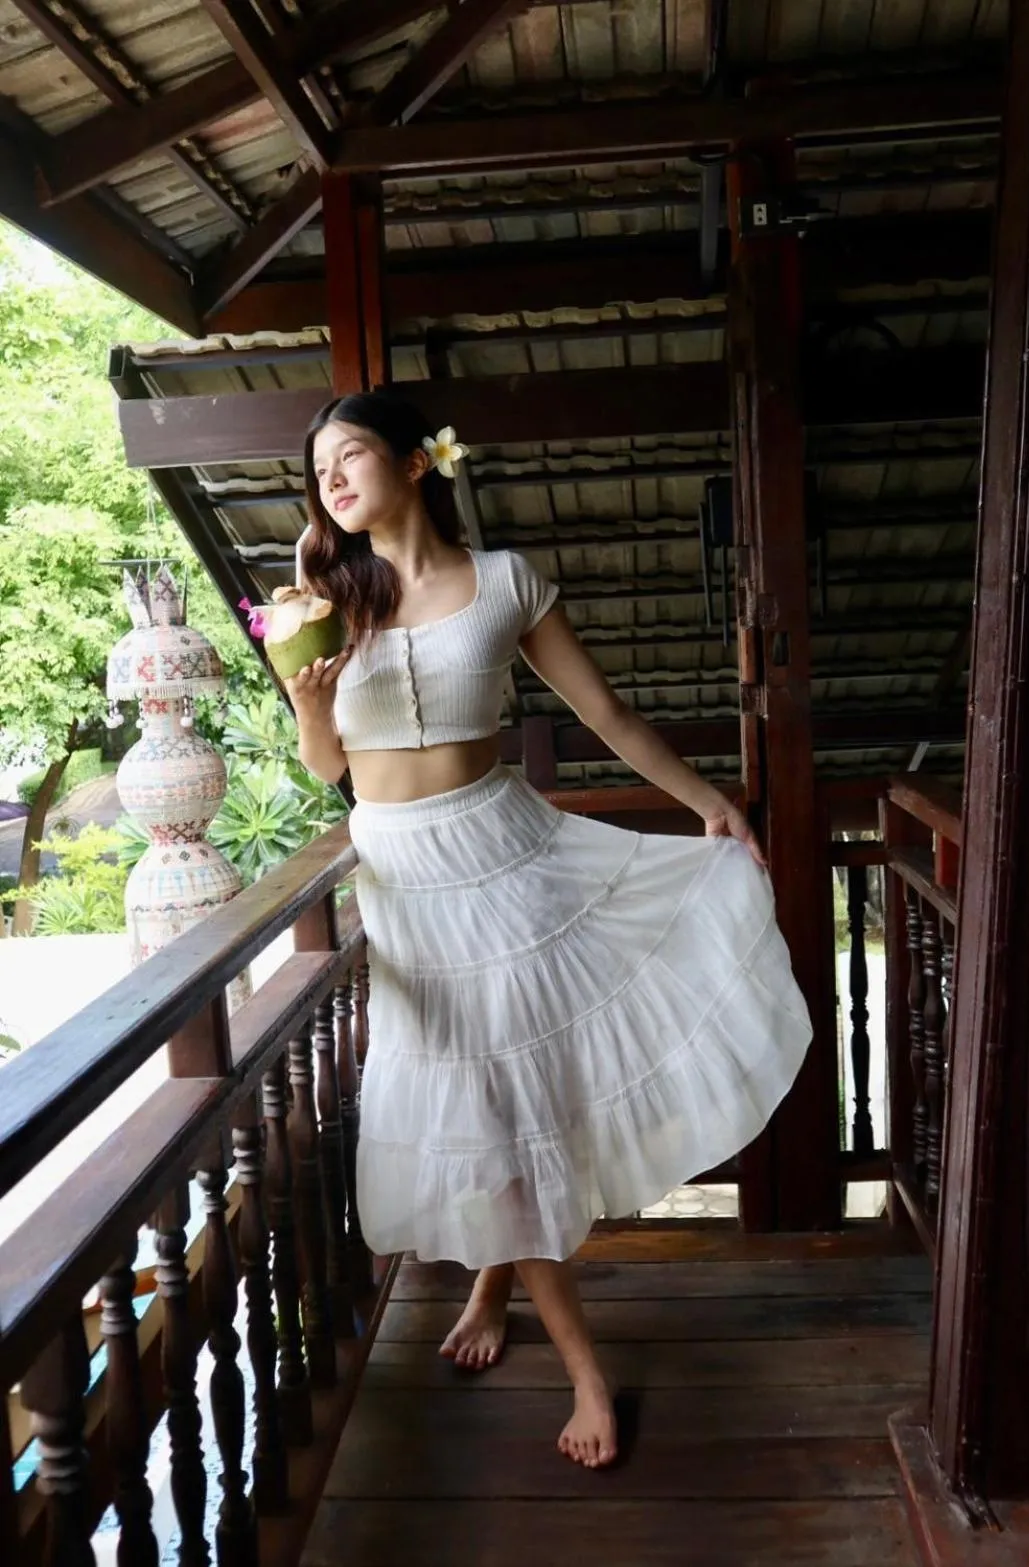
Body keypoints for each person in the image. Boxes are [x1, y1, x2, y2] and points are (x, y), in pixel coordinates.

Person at [285, 389, 813, 1470]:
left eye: (350, 456)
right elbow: (328, 769)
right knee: (485, 1104)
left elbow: (605, 715)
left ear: (418, 461)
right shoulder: (316, 600)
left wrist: (707, 800)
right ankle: (504, 1289)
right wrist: (306, 702)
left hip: (508, 860)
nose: (332, 480)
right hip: (405, 882)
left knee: (519, 1101)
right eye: (319, 469)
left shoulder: (506, 582)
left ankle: (573, 1361)